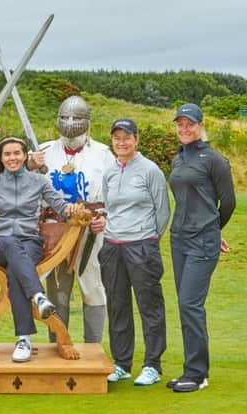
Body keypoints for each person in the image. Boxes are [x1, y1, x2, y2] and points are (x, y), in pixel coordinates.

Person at [0, 137, 78, 362]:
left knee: (15, 271)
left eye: (17, 153)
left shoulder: (39, 181)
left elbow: (60, 206)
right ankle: (38, 296)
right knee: (11, 244)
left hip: (30, 242)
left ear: (25, 156)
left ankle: (24, 339)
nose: (12, 158)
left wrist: (72, 209)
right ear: (1, 158)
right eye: (7, 154)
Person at [29, 95, 115, 344]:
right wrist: (30, 165)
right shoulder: (44, 151)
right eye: (65, 117)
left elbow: (114, 194)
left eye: (76, 118)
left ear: (86, 121)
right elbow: (29, 190)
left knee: (93, 288)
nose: (69, 123)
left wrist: (106, 218)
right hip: (54, 230)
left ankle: (93, 349)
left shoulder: (103, 154)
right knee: (57, 292)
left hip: (90, 230)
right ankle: (59, 346)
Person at [166, 103, 236, 393]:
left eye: (189, 124)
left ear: (200, 125)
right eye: (180, 123)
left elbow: (228, 202)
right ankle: (190, 369)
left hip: (202, 241)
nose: (184, 128)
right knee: (185, 306)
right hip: (179, 239)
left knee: (189, 305)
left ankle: (197, 374)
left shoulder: (214, 159)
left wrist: (212, 229)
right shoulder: (178, 159)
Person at [95, 118, 170, 386]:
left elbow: (163, 212)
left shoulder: (150, 170)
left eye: (127, 137)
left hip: (142, 245)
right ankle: (122, 363)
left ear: (136, 139)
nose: (122, 142)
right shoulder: (110, 171)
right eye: (117, 138)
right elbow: (109, 207)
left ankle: (152, 365)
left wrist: (149, 239)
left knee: (149, 306)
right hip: (113, 246)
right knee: (117, 306)